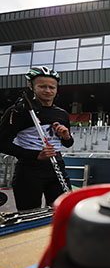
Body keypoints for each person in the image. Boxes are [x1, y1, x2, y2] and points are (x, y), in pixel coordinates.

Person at [0, 66, 73, 211]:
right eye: (42, 86)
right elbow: (2, 143)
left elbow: (68, 144)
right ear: (31, 86)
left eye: (52, 87)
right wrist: (36, 155)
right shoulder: (19, 111)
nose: (48, 90)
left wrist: (66, 136)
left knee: (63, 211)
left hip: (56, 166)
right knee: (30, 216)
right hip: (29, 169)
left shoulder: (62, 114)